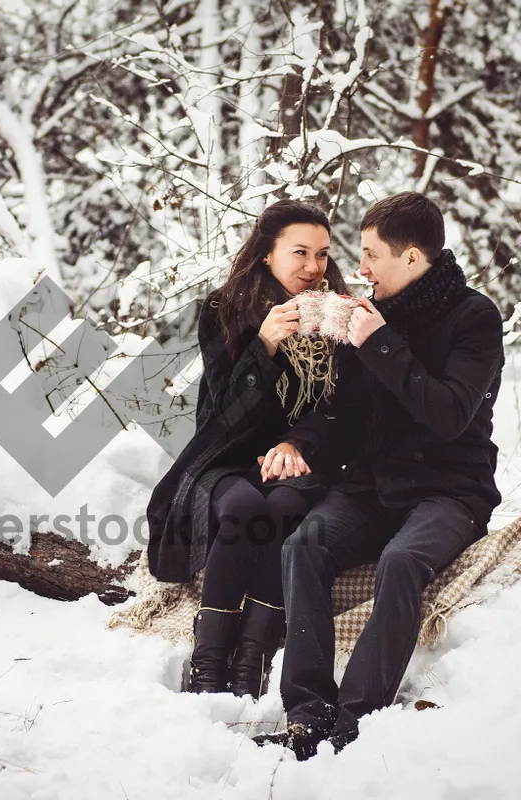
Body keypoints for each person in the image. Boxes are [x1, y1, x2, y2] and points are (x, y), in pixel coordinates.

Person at [252, 191, 505, 758]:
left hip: (449, 490)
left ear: (413, 258)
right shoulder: (370, 313)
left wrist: (379, 344)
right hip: (372, 488)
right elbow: (340, 410)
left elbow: (449, 415)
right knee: (305, 545)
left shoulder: (475, 318)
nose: (359, 269)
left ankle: (355, 719)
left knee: (401, 561)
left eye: (371, 256)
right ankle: (307, 712)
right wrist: (294, 440)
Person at [146, 199, 354, 699]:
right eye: (299, 252)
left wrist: (294, 441)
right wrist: (263, 347)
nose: (312, 267)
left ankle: (253, 659)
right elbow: (223, 411)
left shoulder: (339, 313)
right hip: (227, 453)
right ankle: (210, 658)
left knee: (282, 508)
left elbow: (342, 406)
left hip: (302, 458)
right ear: (266, 253)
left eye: (322, 254)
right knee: (243, 508)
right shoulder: (224, 309)